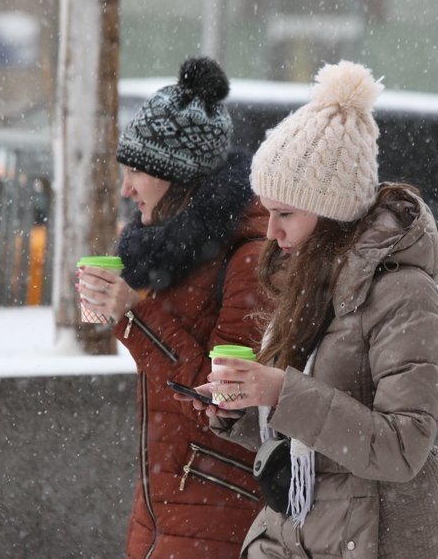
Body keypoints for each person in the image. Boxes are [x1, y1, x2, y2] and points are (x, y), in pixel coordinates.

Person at [199, 60, 438, 558]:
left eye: (286, 214)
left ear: (332, 213)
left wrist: (281, 390)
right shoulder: (310, 285)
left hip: (375, 538)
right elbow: (308, 429)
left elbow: (401, 447)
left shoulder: (405, 297)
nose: (272, 233)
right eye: (267, 212)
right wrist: (239, 409)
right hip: (305, 533)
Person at [77, 56, 267, 559]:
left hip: (219, 510)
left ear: (179, 176)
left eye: (138, 170)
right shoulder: (167, 251)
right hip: (165, 502)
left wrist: (132, 316)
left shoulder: (247, 256)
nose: (126, 188)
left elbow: (225, 396)